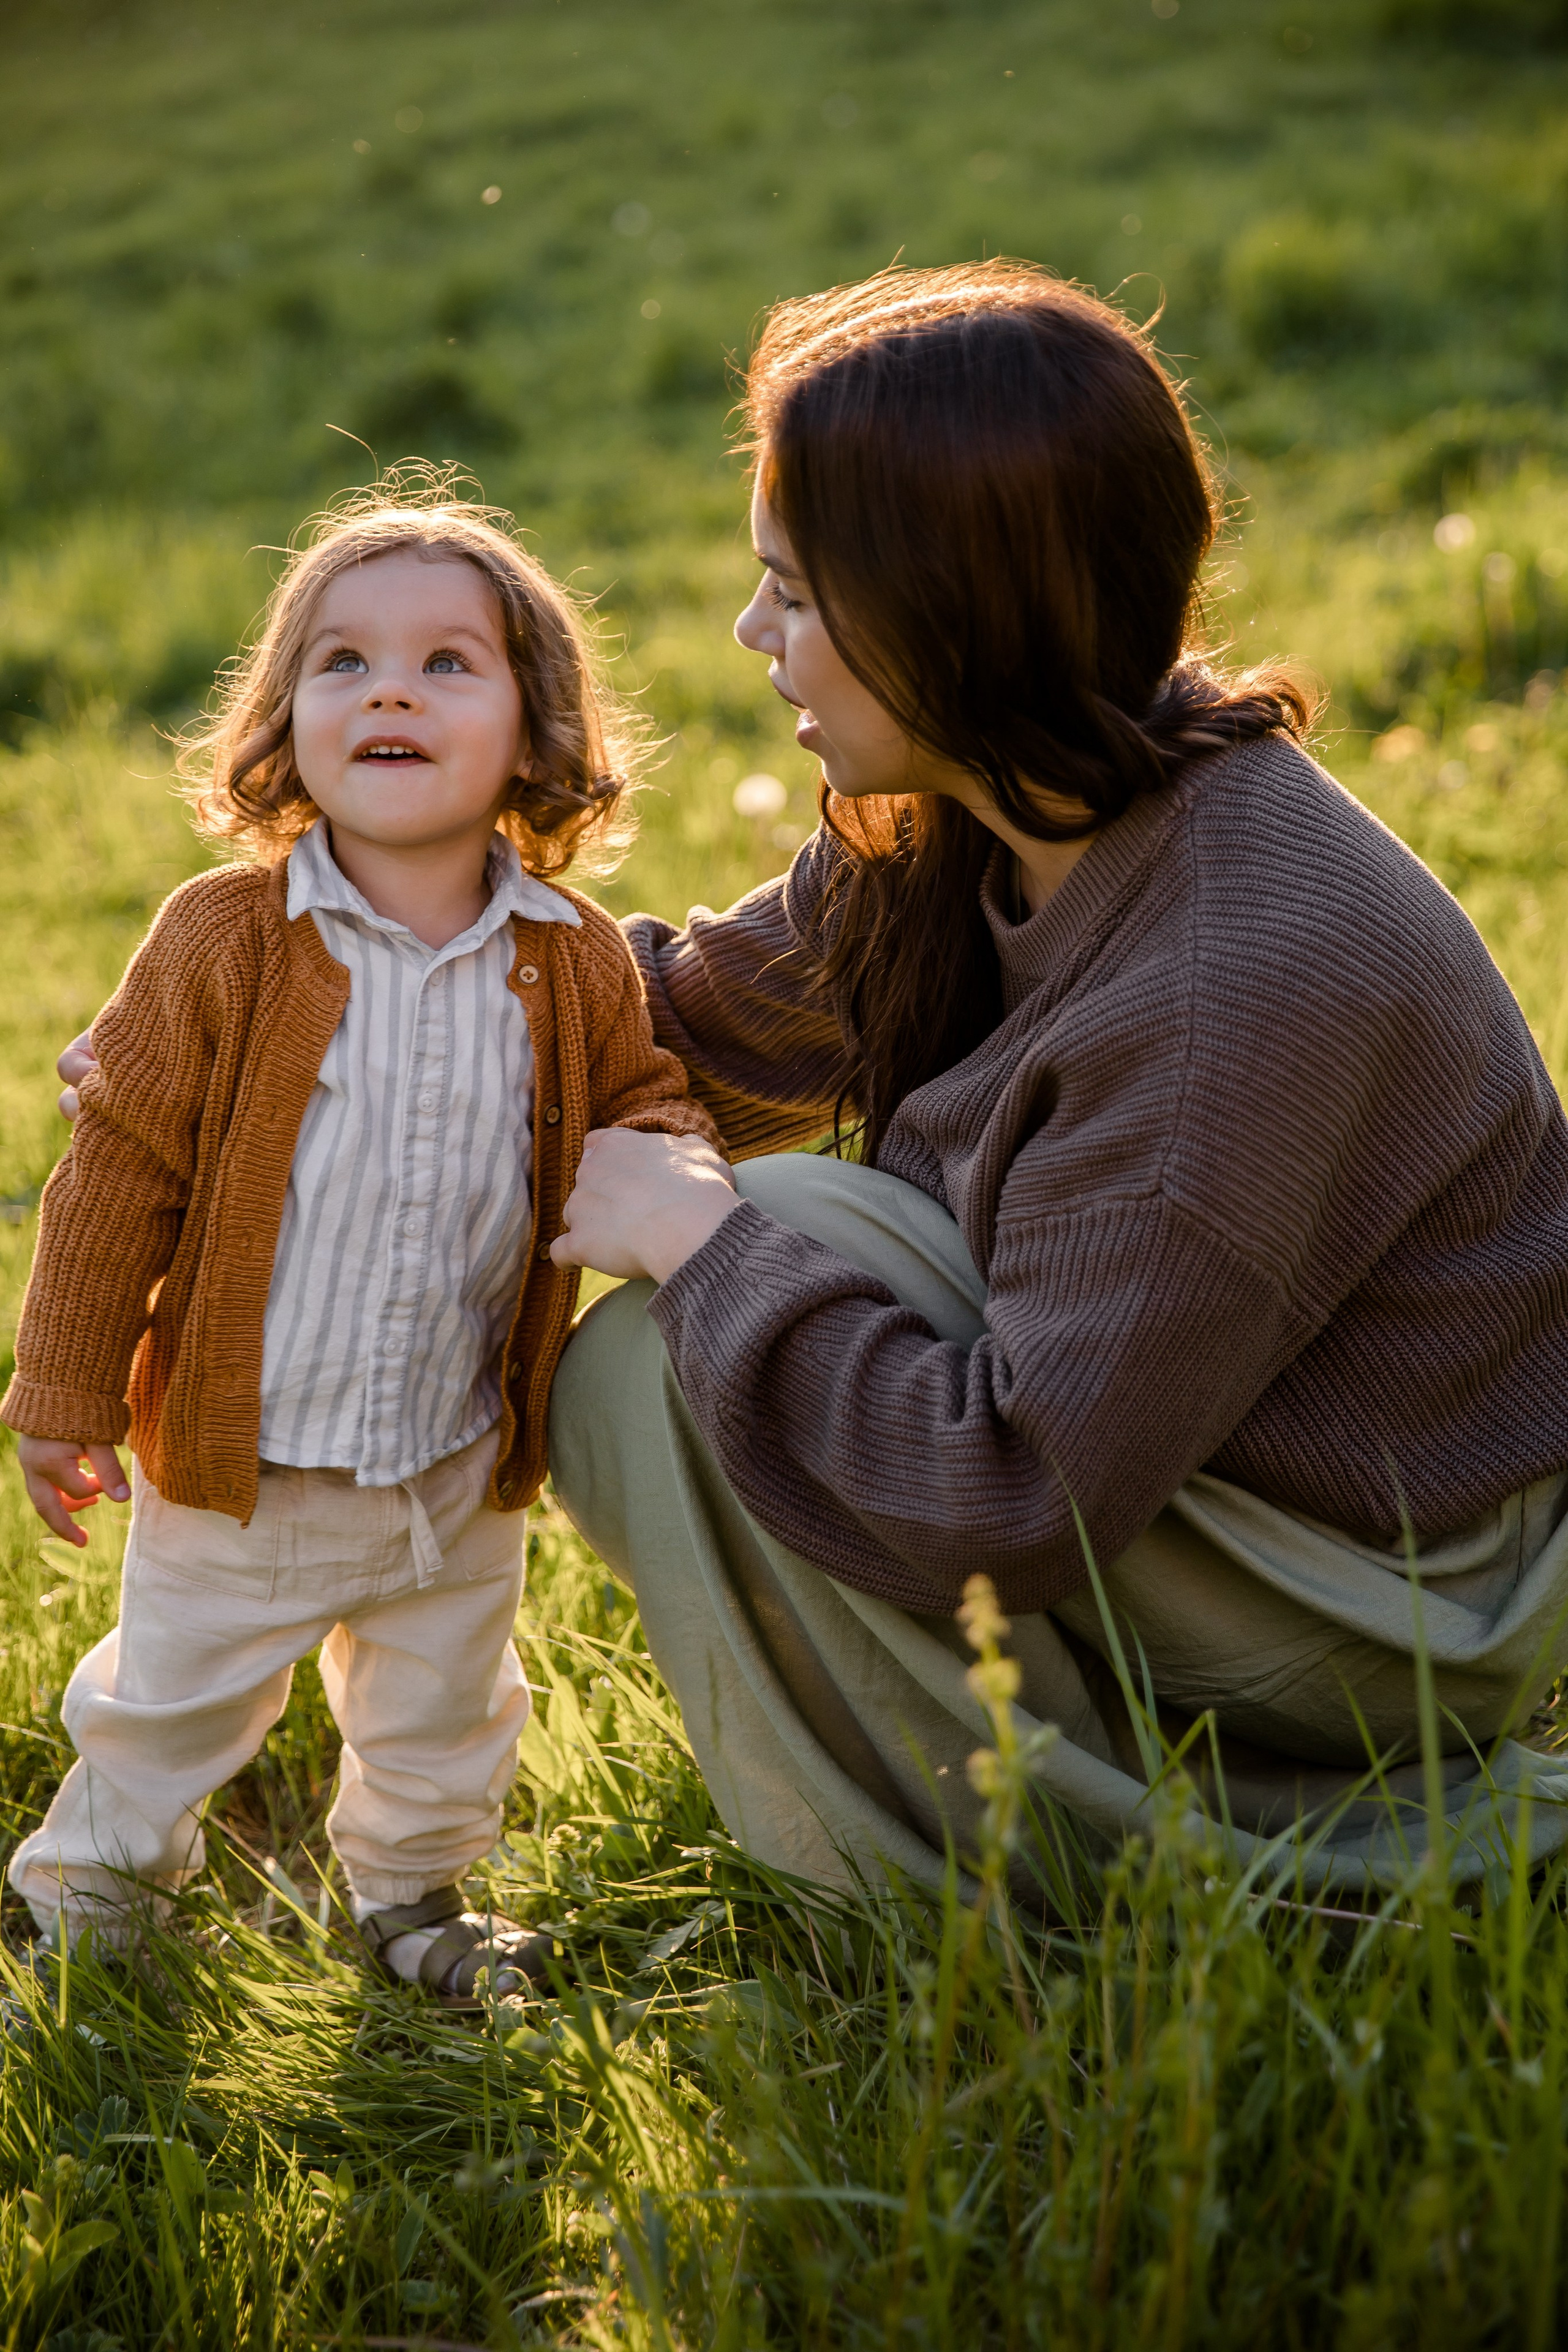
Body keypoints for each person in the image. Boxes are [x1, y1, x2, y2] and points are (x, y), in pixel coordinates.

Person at [540, 262, 1568, 1902]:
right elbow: (683, 1028)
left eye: (793, 594)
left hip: (1400, 1597)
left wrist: (707, 1243)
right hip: (1196, 1490)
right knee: (689, 1324)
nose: (755, 638)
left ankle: (1128, 1886)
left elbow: (1003, 1497)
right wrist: (310, 1035)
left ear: (952, 611)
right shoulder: (987, 807)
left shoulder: (1239, 972)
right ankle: (1041, 1808)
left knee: (757, 1256)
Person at [4, 483, 714, 1997]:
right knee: (168, 1705)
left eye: (448, 662)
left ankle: (412, 1901)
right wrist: (62, 1391)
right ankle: (91, 1914)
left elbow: (640, 1099)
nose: (390, 686)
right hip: (240, 1465)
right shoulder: (225, 938)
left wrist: (675, 1166)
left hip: (456, 1458)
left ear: (534, 731)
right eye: (343, 663)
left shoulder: (571, 957)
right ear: (283, 724)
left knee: (447, 1709)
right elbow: (115, 1174)